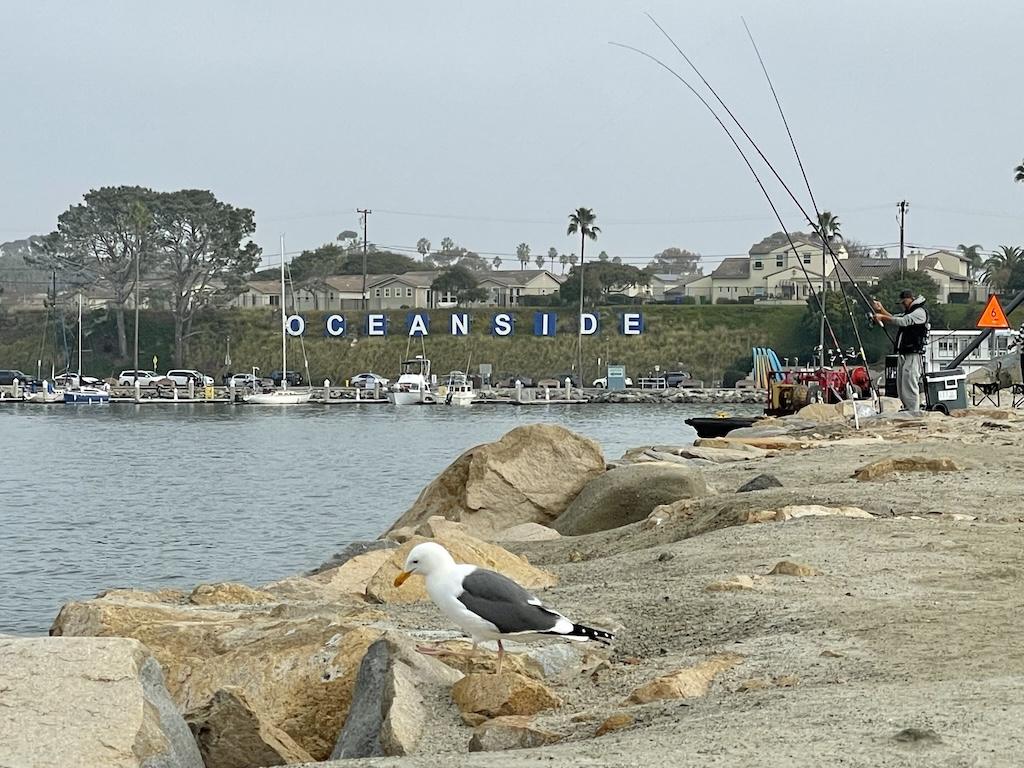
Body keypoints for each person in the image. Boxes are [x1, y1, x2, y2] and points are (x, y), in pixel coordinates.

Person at [873, 290, 928, 412]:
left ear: (911, 299)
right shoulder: (909, 312)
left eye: (904, 302)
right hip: (904, 353)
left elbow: (903, 321)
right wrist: (881, 310)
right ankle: (907, 407)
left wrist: (882, 317)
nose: (903, 305)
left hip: (914, 353)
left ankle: (913, 410)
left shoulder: (919, 312)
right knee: (901, 382)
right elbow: (895, 318)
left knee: (910, 381)